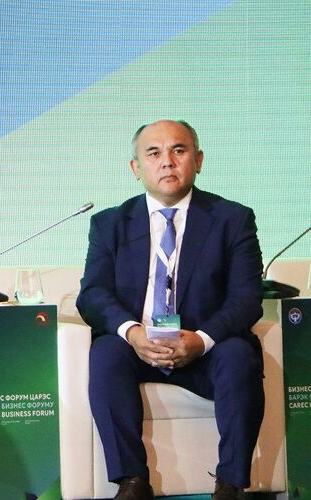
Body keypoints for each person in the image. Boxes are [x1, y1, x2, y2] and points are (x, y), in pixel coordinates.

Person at [76, 120, 264, 500]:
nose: (167, 161)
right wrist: (132, 332)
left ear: (198, 160)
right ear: (136, 168)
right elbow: (93, 294)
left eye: (178, 150)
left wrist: (202, 339)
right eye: (154, 153)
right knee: (106, 352)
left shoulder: (232, 219)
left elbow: (246, 298)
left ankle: (231, 484)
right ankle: (132, 481)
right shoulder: (110, 224)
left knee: (239, 355)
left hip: (204, 350)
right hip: (139, 346)